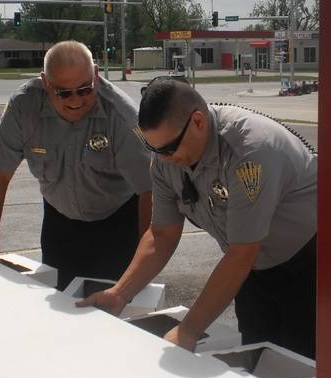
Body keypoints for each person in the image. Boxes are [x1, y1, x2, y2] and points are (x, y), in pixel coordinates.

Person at [77, 77, 317, 359]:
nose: (162, 159)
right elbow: (161, 235)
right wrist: (120, 293)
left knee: (300, 367)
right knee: (258, 358)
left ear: (199, 122)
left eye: (168, 148)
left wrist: (188, 330)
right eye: (153, 149)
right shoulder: (167, 159)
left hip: (310, 265)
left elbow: (242, 253)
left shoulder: (249, 152)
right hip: (253, 269)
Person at [0, 41, 152, 291]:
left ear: (96, 74)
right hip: (60, 222)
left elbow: (149, 192)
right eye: (63, 92)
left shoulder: (122, 116)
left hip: (118, 222)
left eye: (84, 89)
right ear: (45, 82)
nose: (76, 100)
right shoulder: (23, 108)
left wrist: (141, 268)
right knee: (58, 300)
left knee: (114, 309)